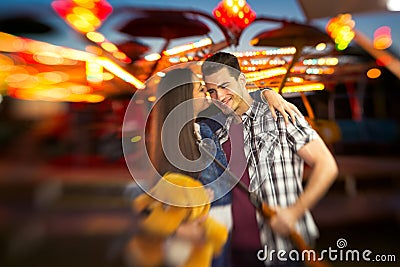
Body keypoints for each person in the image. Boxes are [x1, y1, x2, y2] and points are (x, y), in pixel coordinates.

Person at [146, 66, 302, 267]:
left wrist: (267, 93)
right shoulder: (172, 143)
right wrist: (177, 228)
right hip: (199, 239)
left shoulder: (206, 129)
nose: (206, 90)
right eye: (199, 87)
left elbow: (240, 103)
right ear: (183, 96)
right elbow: (156, 200)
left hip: (224, 236)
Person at [201, 52, 339, 267]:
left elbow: (327, 165)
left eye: (224, 85)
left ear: (241, 80)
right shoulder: (219, 132)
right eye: (212, 91)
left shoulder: (280, 115)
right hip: (236, 251)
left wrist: (294, 212)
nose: (219, 97)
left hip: (283, 249)